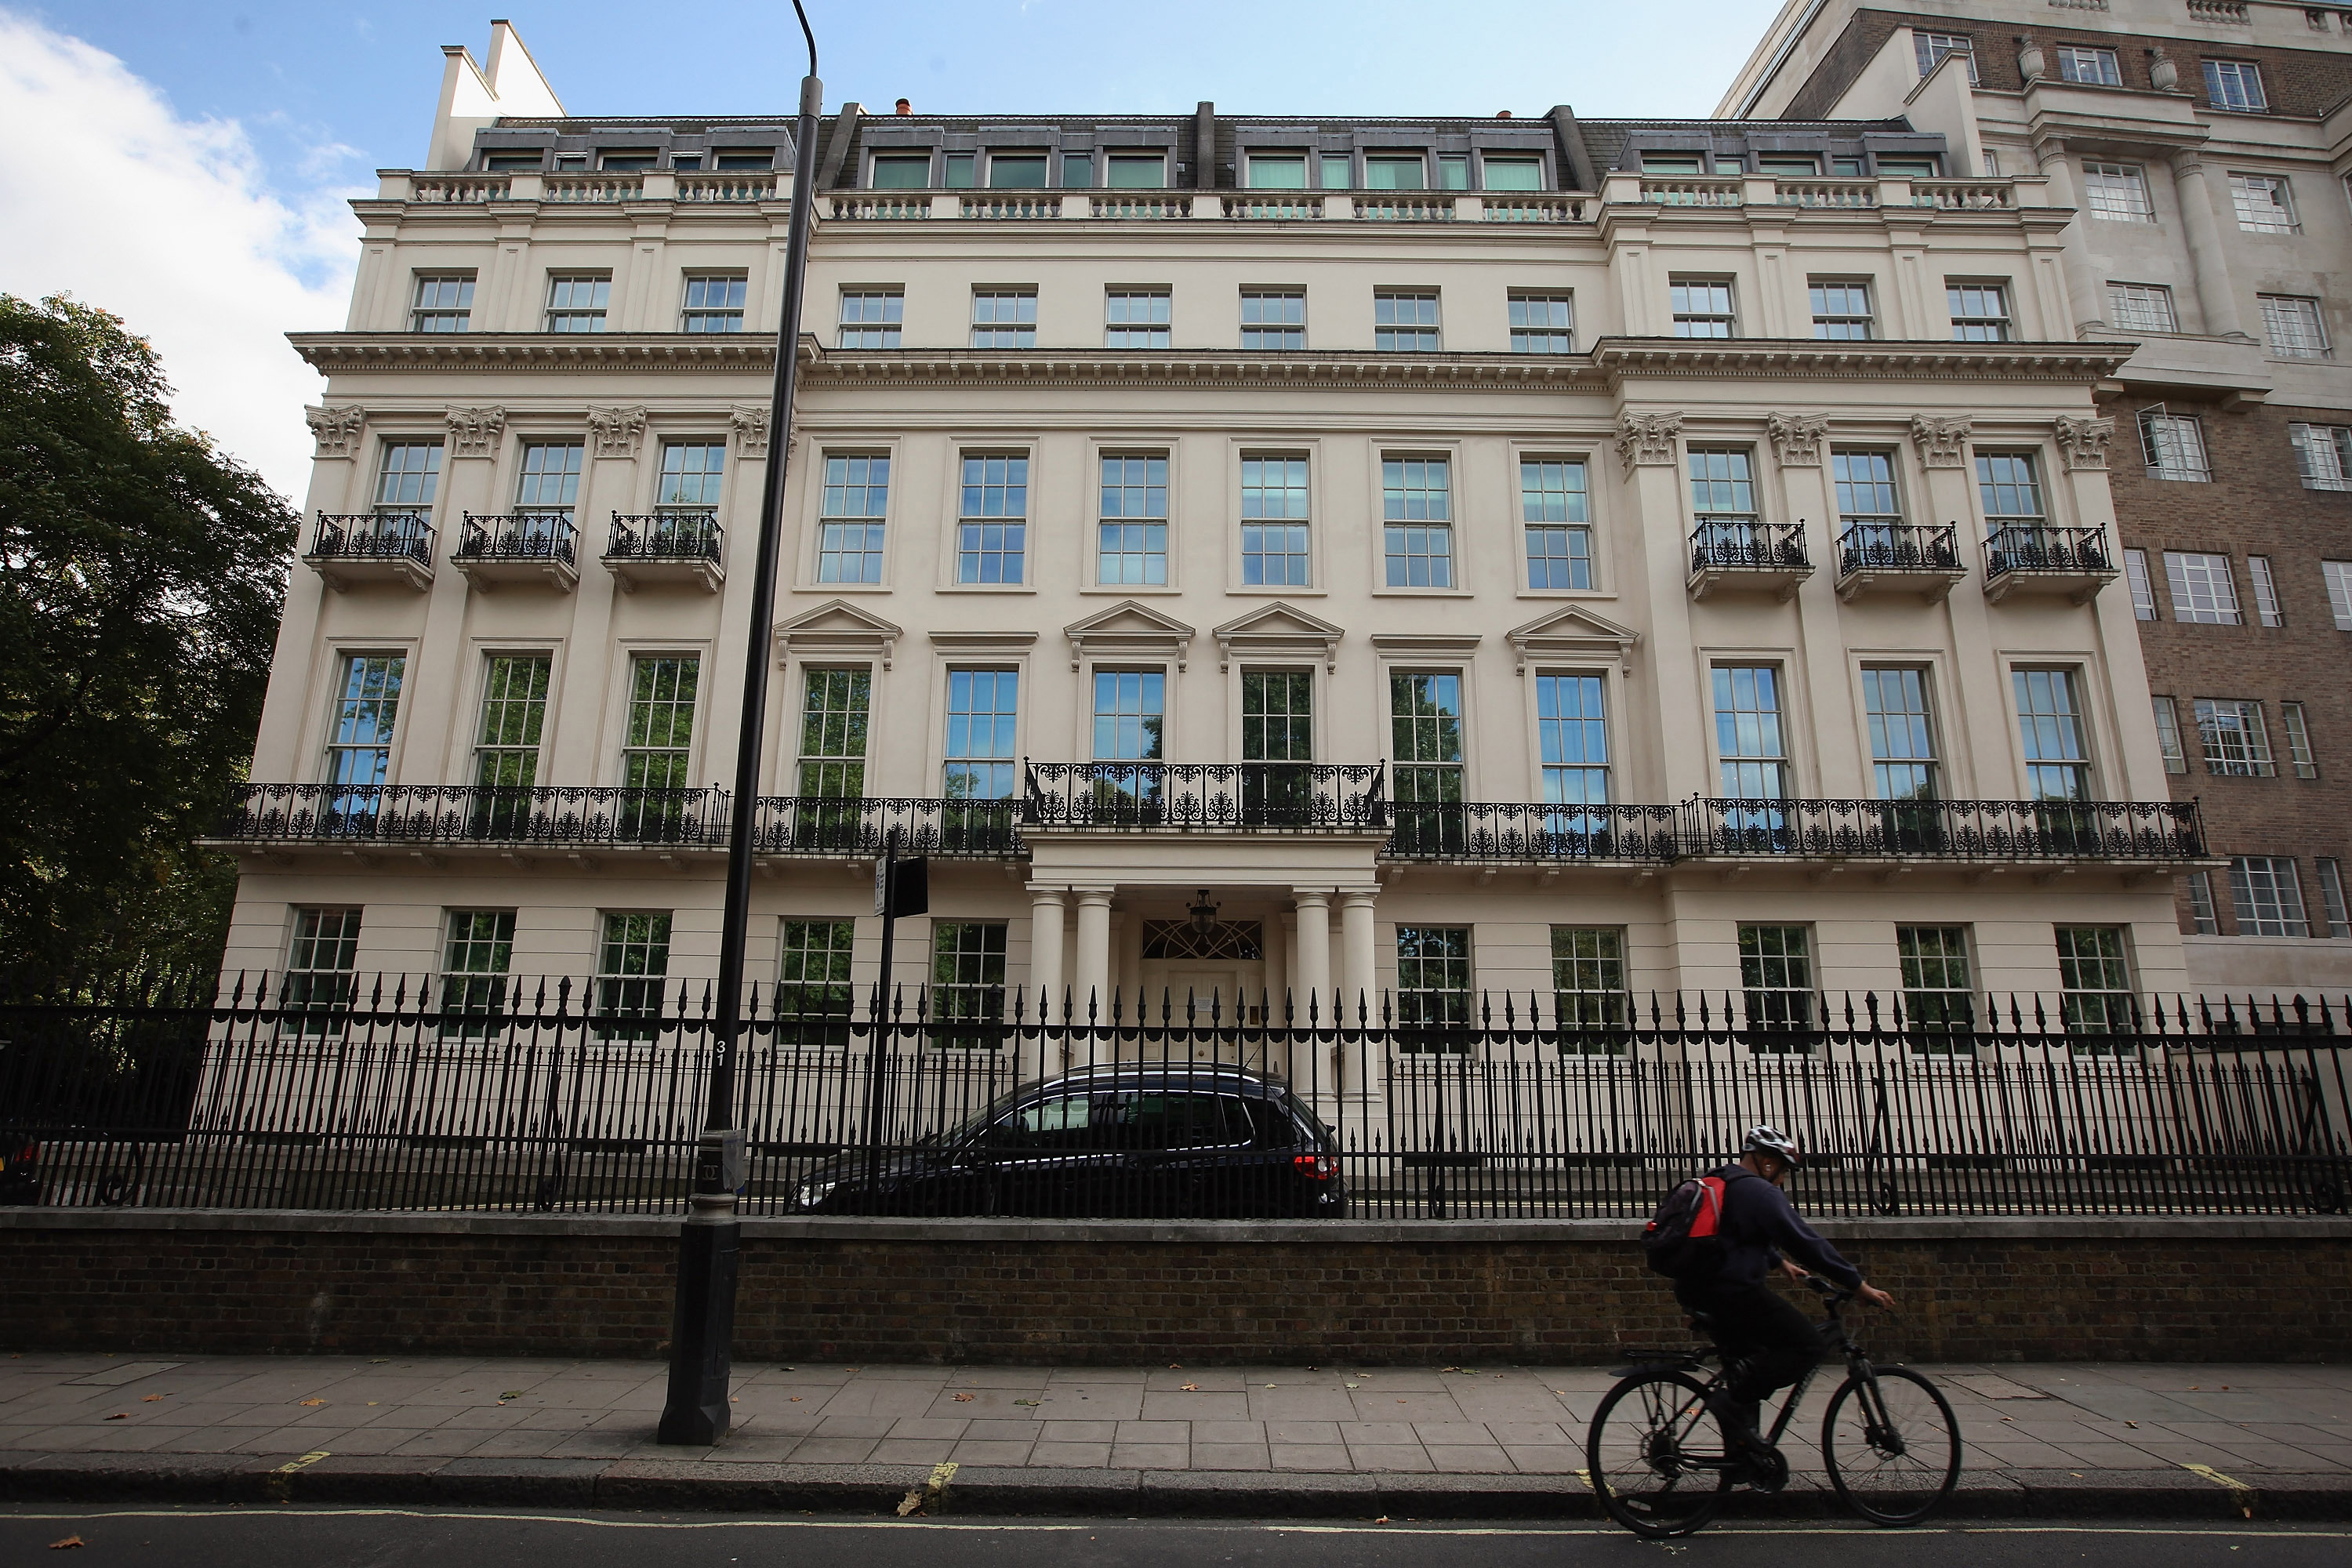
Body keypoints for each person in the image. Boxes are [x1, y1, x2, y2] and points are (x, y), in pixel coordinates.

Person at [1679, 1125, 1895, 1453]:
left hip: (1700, 1289)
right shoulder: (1762, 1193)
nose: (1782, 1180)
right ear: (1768, 1163)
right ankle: (1728, 1403)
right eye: (1783, 1171)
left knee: (1750, 1364)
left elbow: (1733, 1235)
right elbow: (1806, 1242)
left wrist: (1778, 1262)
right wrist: (1856, 1283)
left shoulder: (1723, 1179)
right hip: (1733, 1294)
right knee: (1807, 1346)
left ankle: (1742, 1453)